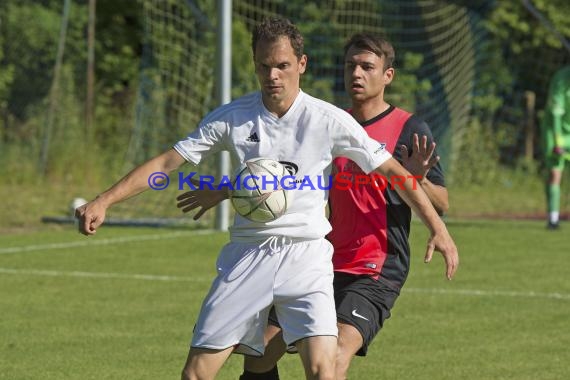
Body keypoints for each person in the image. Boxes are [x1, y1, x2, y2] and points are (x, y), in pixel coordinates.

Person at [76, 18, 458, 380]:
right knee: (198, 372)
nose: (272, 76)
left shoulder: (327, 120)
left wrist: (437, 228)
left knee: (326, 369)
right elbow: (166, 162)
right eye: (264, 66)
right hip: (248, 255)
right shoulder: (233, 117)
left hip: (307, 256)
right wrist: (105, 200)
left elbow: (395, 172)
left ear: (301, 64)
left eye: (282, 65)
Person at [233, 33, 451, 380]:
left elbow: (442, 202)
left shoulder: (409, 129)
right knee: (257, 354)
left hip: (375, 265)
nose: (357, 74)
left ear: (388, 76)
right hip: (318, 259)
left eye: (368, 67)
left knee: (332, 358)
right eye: (351, 66)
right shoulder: (330, 122)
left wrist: (419, 179)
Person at [542, 65, 570, 230]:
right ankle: (553, 219)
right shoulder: (560, 79)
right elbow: (556, 114)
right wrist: (558, 143)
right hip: (555, 131)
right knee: (555, 173)